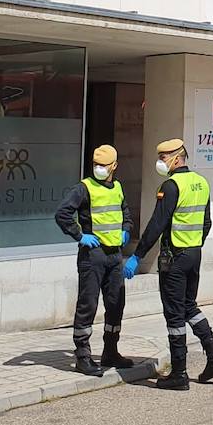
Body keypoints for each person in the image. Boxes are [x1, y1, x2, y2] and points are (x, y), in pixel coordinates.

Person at [124, 138, 213, 391]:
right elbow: (207, 222)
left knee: (174, 314)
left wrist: (137, 255)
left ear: (176, 158)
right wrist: (195, 244)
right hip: (193, 254)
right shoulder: (201, 182)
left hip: (175, 259)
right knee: (189, 306)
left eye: (163, 158)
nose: (160, 162)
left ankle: (179, 372)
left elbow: (157, 224)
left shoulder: (171, 186)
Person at [55, 144, 134, 376]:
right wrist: (80, 235)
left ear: (114, 166)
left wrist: (126, 230)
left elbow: (126, 214)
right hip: (93, 255)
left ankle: (111, 351)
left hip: (114, 255)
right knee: (87, 305)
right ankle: (82, 357)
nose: (99, 169)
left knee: (116, 304)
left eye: (103, 165)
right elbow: (62, 213)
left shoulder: (118, 187)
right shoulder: (84, 188)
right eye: (96, 165)